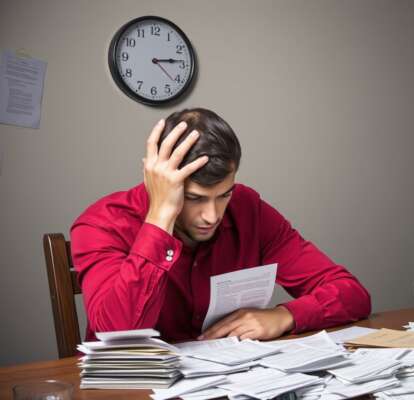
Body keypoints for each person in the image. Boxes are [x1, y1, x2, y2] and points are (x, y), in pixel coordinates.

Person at [71, 108, 371, 343]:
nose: (212, 216)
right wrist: (161, 215)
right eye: (194, 198)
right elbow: (118, 333)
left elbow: (351, 294)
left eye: (223, 195)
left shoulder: (247, 209)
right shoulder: (101, 224)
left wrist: (285, 316)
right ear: (159, 181)